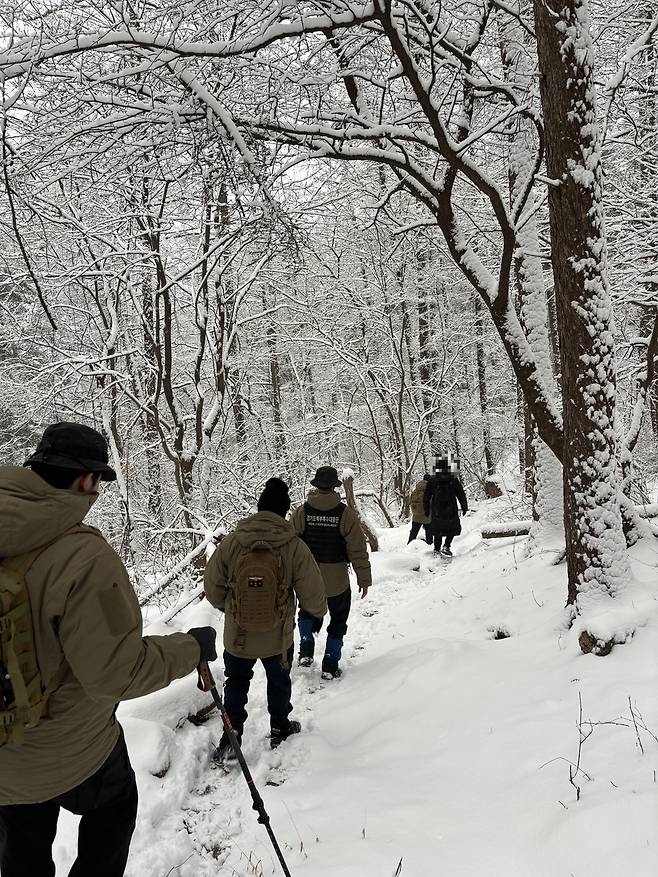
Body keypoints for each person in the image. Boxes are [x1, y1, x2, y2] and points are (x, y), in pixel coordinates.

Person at [0, 422, 216, 877]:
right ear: (84, 480)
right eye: (97, 482)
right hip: (70, 749)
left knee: (21, 844)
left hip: (5, 757)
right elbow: (116, 673)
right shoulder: (82, 558)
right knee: (114, 806)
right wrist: (188, 648)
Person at [204, 477, 326, 761]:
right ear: (284, 512)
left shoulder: (234, 542)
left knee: (236, 683)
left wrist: (231, 608)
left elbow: (212, 587)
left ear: (258, 508)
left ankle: (231, 738)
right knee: (279, 680)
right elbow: (313, 589)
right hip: (277, 635)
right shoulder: (292, 545)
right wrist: (315, 613)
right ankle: (280, 727)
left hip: (239, 635)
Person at [291, 466, 372, 679]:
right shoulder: (345, 514)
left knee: (307, 611)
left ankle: (306, 647)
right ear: (335, 487)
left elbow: (289, 545)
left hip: (307, 578)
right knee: (338, 618)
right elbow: (357, 548)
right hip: (337, 578)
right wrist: (363, 577)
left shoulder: (302, 512)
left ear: (316, 486)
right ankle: (330, 661)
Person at [424, 456, 468, 557]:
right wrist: (464, 507)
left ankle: (436, 550)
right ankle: (447, 546)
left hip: (437, 509)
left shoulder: (432, 480)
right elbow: (461, 494)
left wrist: (426, 510)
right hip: (451, 508)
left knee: (437, 529)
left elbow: (426, 496)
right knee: (452, 527)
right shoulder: (453, 479)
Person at [408, 472, 433, 544]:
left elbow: (410, 501)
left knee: (413, 532)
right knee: (429, 532)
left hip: (416, 515)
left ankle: (409, 545)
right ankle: (429, 545)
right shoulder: (429, 490)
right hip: (426, 516)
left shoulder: (416, 490)